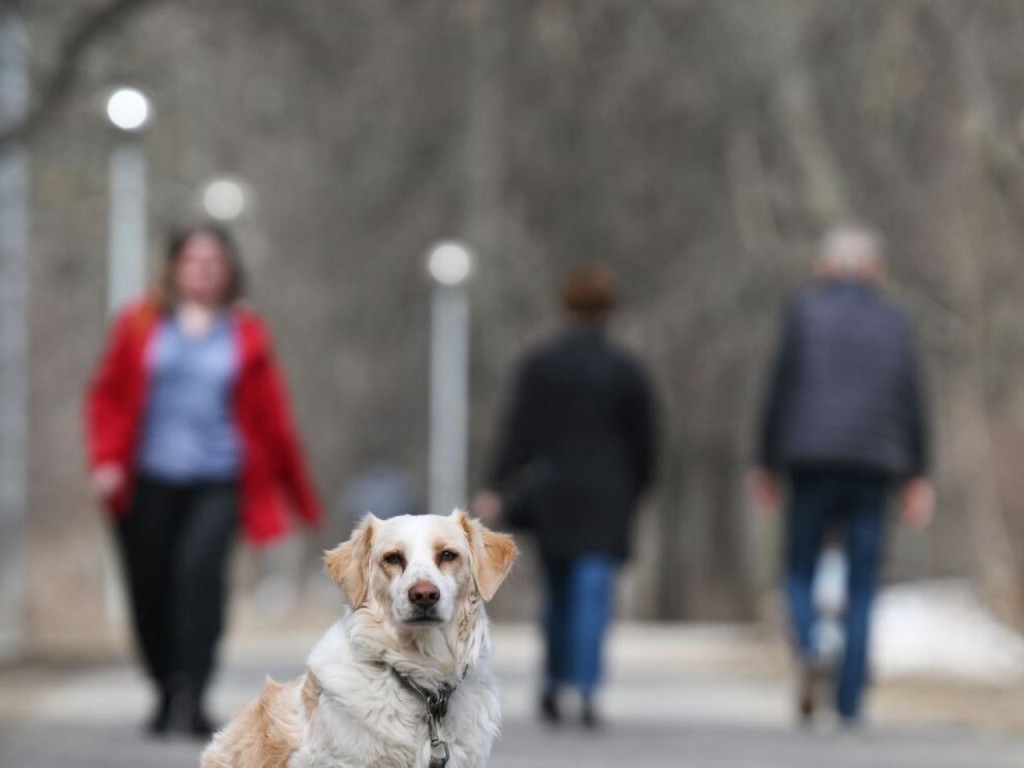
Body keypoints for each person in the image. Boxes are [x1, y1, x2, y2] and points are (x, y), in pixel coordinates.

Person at [84, 223, 321, 738]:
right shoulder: (140, 323)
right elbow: (106, 394)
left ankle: (193, 691)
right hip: (146, 479)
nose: (205, 270)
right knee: (151, 589)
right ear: (174, 267)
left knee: (198, 578)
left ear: (230, 270)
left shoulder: (246, 332)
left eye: (215, 261)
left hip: (219, 478)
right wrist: (105, 460)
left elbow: (273, 418)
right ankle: (165, 685)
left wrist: (298, 497)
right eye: (194, 260)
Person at [752, 224, 934, 727]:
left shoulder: (804, 312)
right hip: (875, 465)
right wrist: (918, 473)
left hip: (809, 460)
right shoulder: (895, 319)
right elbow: (912, 399)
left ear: (827, 266)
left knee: (799, 567)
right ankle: (851, 700)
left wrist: (766, 462)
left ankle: (809, 644)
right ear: (874, 268)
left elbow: (780, 389)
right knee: (863, 581)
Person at [475, 265, 656, 728]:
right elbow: (648, 441)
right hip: (609, 495)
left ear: (565, 306)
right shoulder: (627, 371)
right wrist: (638, 486)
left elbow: (518, 431)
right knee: (594, 592)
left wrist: (496, 484)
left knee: (558, 591)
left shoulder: (541, 366)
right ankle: (588, 687)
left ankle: (555, 681)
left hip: (555, 493)